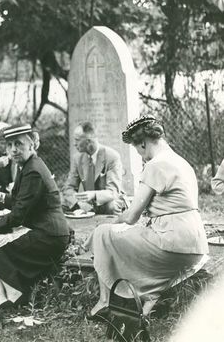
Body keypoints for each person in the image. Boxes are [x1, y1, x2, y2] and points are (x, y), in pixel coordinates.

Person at [86, 115, 208, 318]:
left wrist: (115, 220)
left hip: (172, 243)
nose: (140, 155)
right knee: (133, 235)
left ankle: (104, 302)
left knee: (102, 233)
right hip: (195, 245)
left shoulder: (155, 164)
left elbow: (132, 215)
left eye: (137, 149)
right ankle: (150, 296)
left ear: (142, 143)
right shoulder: (181, 161)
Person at [0, 124, 71, 312]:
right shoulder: (28, 165)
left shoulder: (32, 170)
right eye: (9, 145)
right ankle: (1, 296)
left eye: (19, 144)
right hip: (45, 232)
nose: (13, 149)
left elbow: (18, 215)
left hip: (48, 236)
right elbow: (21, 201)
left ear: (32, 145)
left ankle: (13, 293)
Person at [64, 121, 124, 214]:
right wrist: (78, 202)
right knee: (62, 206)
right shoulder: (77, 158)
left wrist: (94, 195)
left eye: (77, 139)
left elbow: (113, 192)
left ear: (88, 141)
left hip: (108, 201)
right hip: (87, 203)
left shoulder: (112, 156)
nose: (74, 144)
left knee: (111, 206)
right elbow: (68, 188)